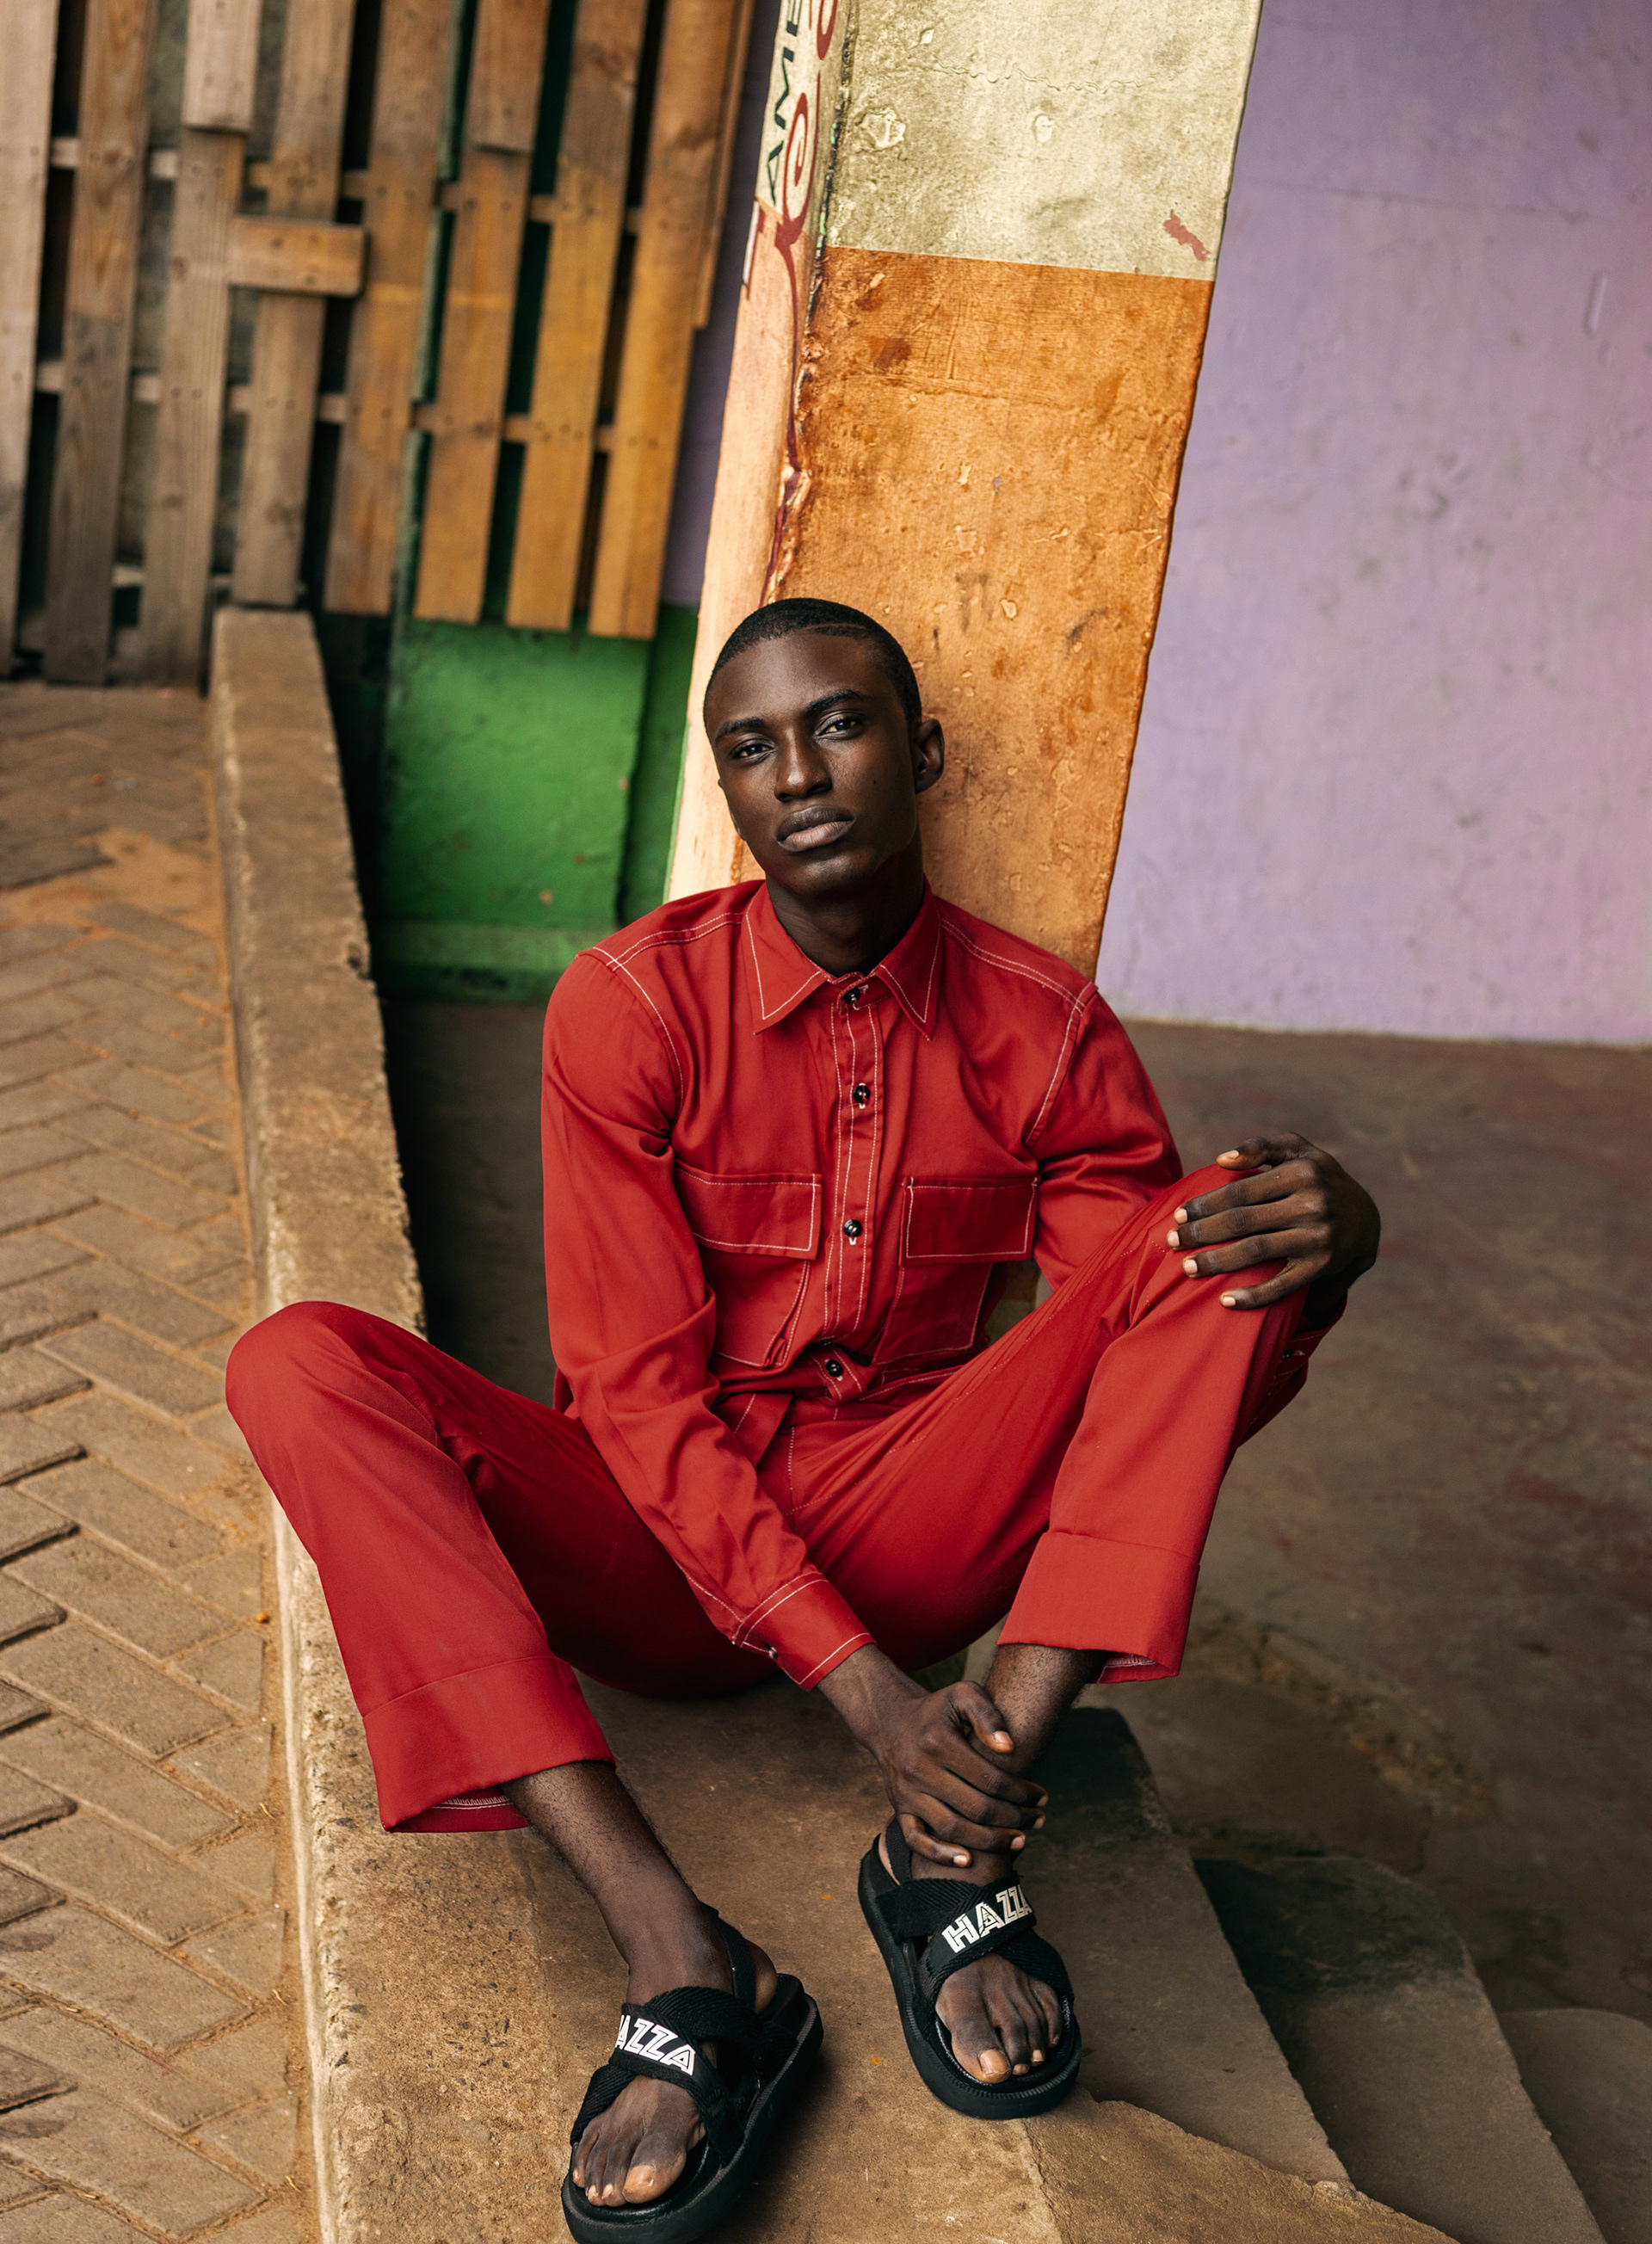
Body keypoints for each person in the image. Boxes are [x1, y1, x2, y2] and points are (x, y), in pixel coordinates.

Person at [227, 598, 1380, 2241]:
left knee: (1221, 1230)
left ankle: (950, 1855)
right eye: (753, 749)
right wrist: (869, 1701)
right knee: (298, 1364)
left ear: (925, 751)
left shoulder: (1044, 1028)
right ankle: (683, 1955)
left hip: (912, 1528)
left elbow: (1144, 1365)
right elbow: (635, 1400)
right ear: (729, 788)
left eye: (839, 724)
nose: (801, 776)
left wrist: (1335, 1241)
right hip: (647, 1552)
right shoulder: (631, 1007)